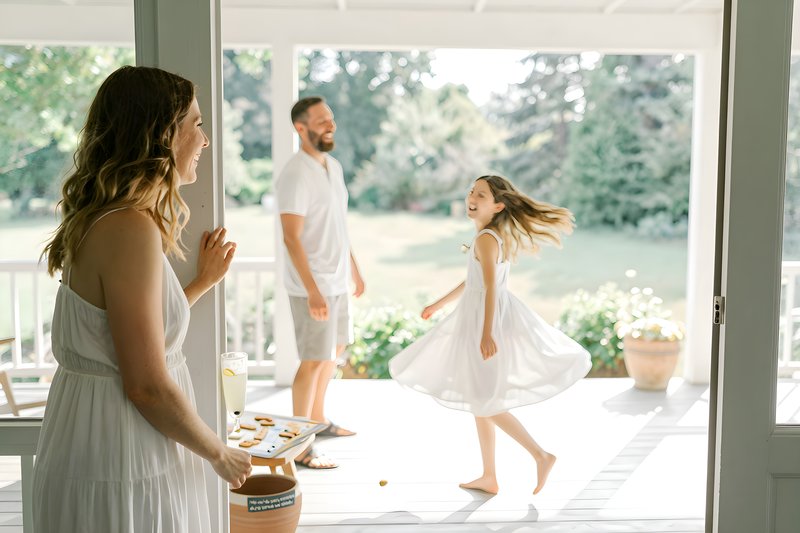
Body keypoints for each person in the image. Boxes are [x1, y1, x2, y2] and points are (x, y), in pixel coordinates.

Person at [33, 65, 252, 533]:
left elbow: (124, 335)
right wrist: (219, 451)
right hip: (120, 454)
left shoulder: (108, 219)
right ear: (161, 135)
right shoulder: (128, 227)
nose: (206, 139)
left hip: (98, 442)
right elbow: (145, 385)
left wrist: (198, 285)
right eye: (196, 124)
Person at [389, 175, 592, 495]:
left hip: (486, 322)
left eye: (481, 194)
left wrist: (486, 333)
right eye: (472, 190)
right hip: (485, 318)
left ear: (497, 206)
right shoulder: (489, 236)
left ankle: (540, 455)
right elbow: (474, 282)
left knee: (485, 401)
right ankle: (489, 476)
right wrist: (438, 304)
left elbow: (491, 288)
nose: (472, 196)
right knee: (479, 398)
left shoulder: (486, 238)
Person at [275, 96, 365, 469]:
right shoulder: (295, 174)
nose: (330, 125)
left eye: (331, 119)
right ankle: (300, 446)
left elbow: (338, 226)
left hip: (337, 279)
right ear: (301, 127)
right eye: (321, 120)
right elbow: (291, 237)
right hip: (311, 285)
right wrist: (313, 290)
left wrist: (355, 269)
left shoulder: (333, 167)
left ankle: (319, 420)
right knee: (312, 360)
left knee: (333, 353)